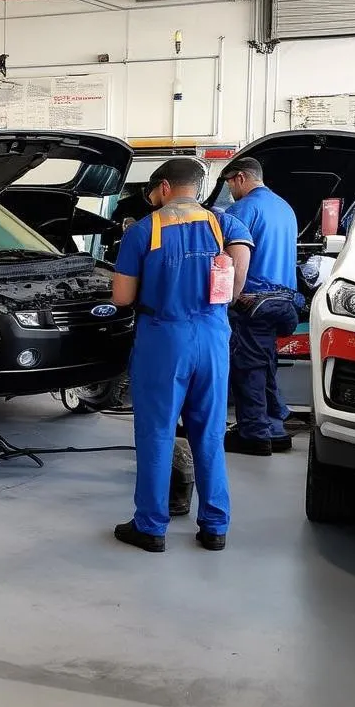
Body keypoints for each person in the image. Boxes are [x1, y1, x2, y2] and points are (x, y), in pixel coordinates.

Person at [112, 158, 252, 553]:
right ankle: (214, 527)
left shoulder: (143, 230)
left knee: (156, 433)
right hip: (211, 336)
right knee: (209, 433)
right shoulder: (225, 224)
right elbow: (237, 281)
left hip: (163, 340)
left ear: (166, 187)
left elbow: (121, 297)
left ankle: (151, 526)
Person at [220, 157, 303, 456]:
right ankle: (274, 429)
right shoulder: (285, 207)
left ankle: (254, 434)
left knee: (248, 367)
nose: (230, 190)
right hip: (284, 302)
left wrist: (230, 296)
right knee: (265, 363)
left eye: (230, 183)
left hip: (252, 301)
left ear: (240, 178)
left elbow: (230, 259)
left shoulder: (243, 209)